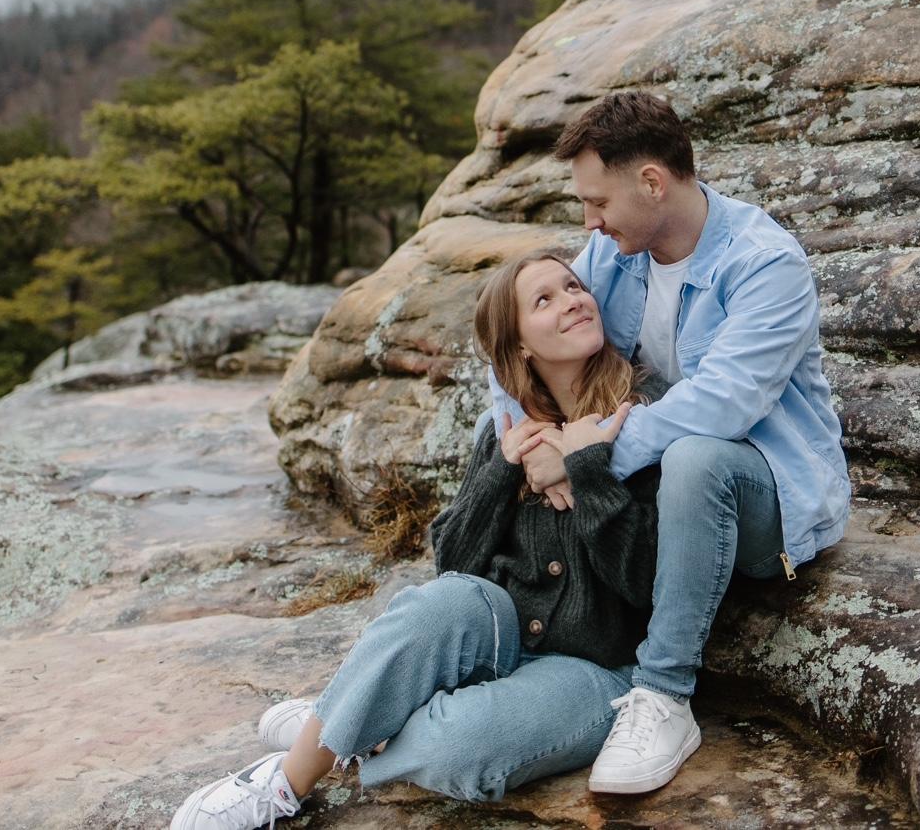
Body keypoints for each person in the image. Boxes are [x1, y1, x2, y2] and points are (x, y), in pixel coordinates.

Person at [171, 253, 661, 830]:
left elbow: (646, 582)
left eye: (574, 286)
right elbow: (453, 565)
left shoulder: (646, 414)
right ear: (519, 346)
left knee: (458, 747)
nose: (573, 300)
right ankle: (286, 782)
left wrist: (590, 472)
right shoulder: (506, 427)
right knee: (438, 604)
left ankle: (343, 721)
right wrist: (500, 472)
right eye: (544, 299)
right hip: (499, 634)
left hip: (596, 669)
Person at [491, 91, 850, 795]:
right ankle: (455, 646)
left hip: (763, 495)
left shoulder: (764, 263)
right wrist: (530, 437)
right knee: (497, 433)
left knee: (695, 458)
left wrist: (587, 457)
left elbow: (724, 404)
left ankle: (663, 695)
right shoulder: (614, 251)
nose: (589, 223)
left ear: (652, 182)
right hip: (655, 495)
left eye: (598, 202)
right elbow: (518, 339)